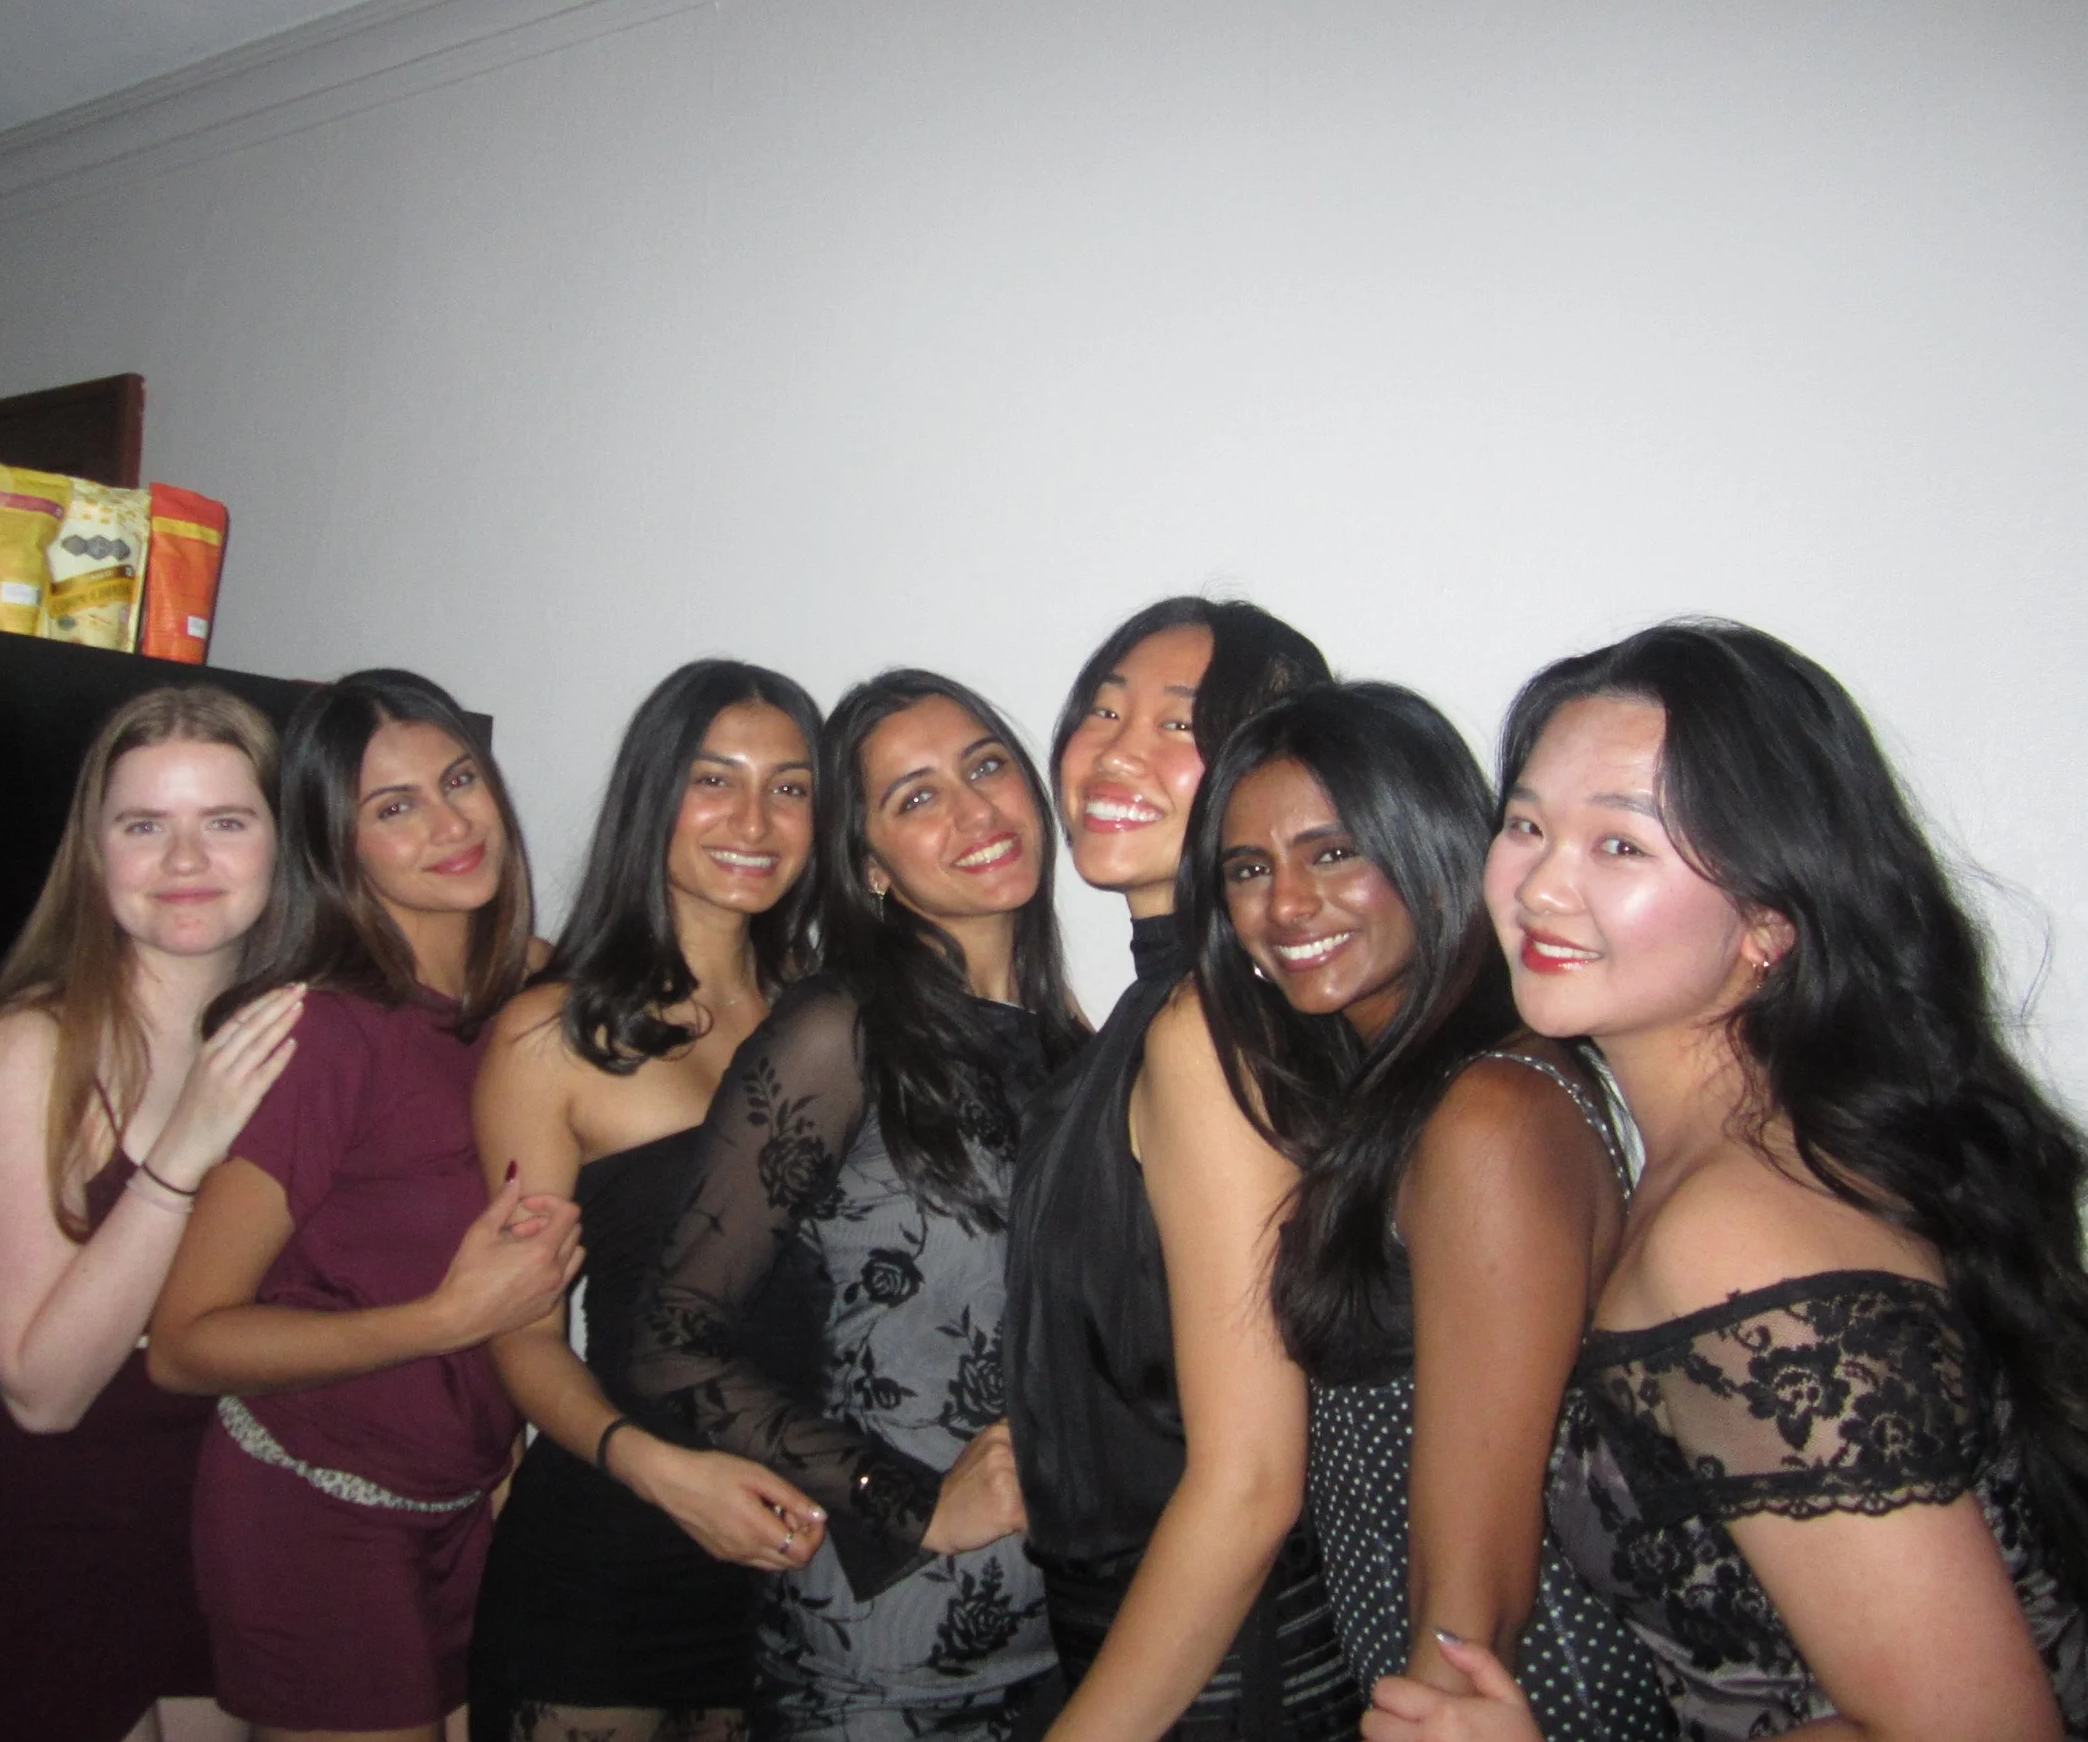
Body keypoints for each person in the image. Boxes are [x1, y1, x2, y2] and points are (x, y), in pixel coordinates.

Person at [1370, 620, 2088, 1742]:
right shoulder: (1768, 1154)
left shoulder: (1737, 1239)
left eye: (1620, 846)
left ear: (1768, 920)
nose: (1539, 886)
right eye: (1526, 825)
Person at [1185, 683, 1669, 1740]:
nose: (1285, 907)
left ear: (1429, 846)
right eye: (1248, 870)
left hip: (1525, 1696)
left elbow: (1480, 1550)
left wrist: (1431, 1707)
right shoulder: (1400, 1100)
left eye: (1333, 853)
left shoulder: (1486, 1116)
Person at [630, 669, 1091, 1740]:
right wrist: (912, 1498)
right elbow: (668, 1341)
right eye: (915, 796)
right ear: (869, 863)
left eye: (984, 767)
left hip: (1071, 1630)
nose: (974, 811)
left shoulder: (1074, 1046)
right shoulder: (838, 1032)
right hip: (884, 1649)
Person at [148, 669, 582, 1742]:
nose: (449, 823)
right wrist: (447, 1320)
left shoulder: (534, 997)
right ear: (336, 846)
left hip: (467, 1503)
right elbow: (183, 1342)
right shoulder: (327, 1037)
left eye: (459, 779)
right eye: (394, 808)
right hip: (312, 1513)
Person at [1003, 596, 1365, 1742]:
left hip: (1220, 1669)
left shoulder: (1204, 1030)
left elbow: (1252, 1479)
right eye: (1100, 711)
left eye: (1177, 724)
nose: (1114, 751)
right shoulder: (1165, 1014)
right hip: (1159, 1640)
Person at [0, 684, 303, 1742]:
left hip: (219, 1529)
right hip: (47, 1531)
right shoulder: (32, 1053)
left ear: (284, 842)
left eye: (226, 822)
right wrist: (182, 1152)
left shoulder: (304, 1041)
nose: (185, 862)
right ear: (95, 855)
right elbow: (42, 1390)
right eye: (144, 827)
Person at [469, 660, 834, 1742]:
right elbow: (521, 1335)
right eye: (713, 780)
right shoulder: (555, 1033)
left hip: (807, 1559)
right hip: (616, 1550)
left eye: (791, 786)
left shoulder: (835, 1020)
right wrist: (663, 1474)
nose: (755, 821)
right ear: (651, 797)